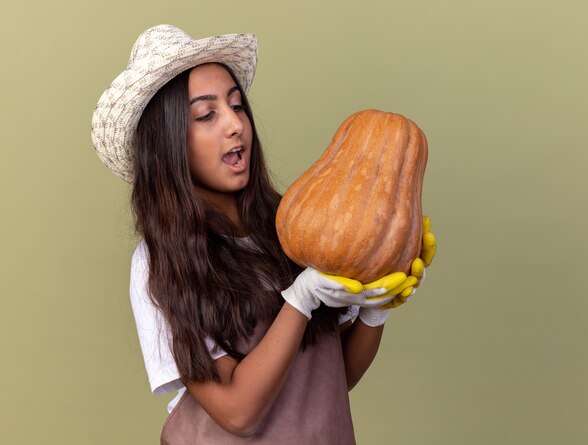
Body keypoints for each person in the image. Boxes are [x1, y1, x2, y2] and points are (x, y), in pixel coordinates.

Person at [91, 24, 436, 445]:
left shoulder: (296, 226)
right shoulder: (159, 261)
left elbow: (332, 379)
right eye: (207, 115)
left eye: (237, 106)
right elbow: (237, 414)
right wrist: (300, 299)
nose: (235, 124)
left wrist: (375, 308)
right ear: (167, 144)